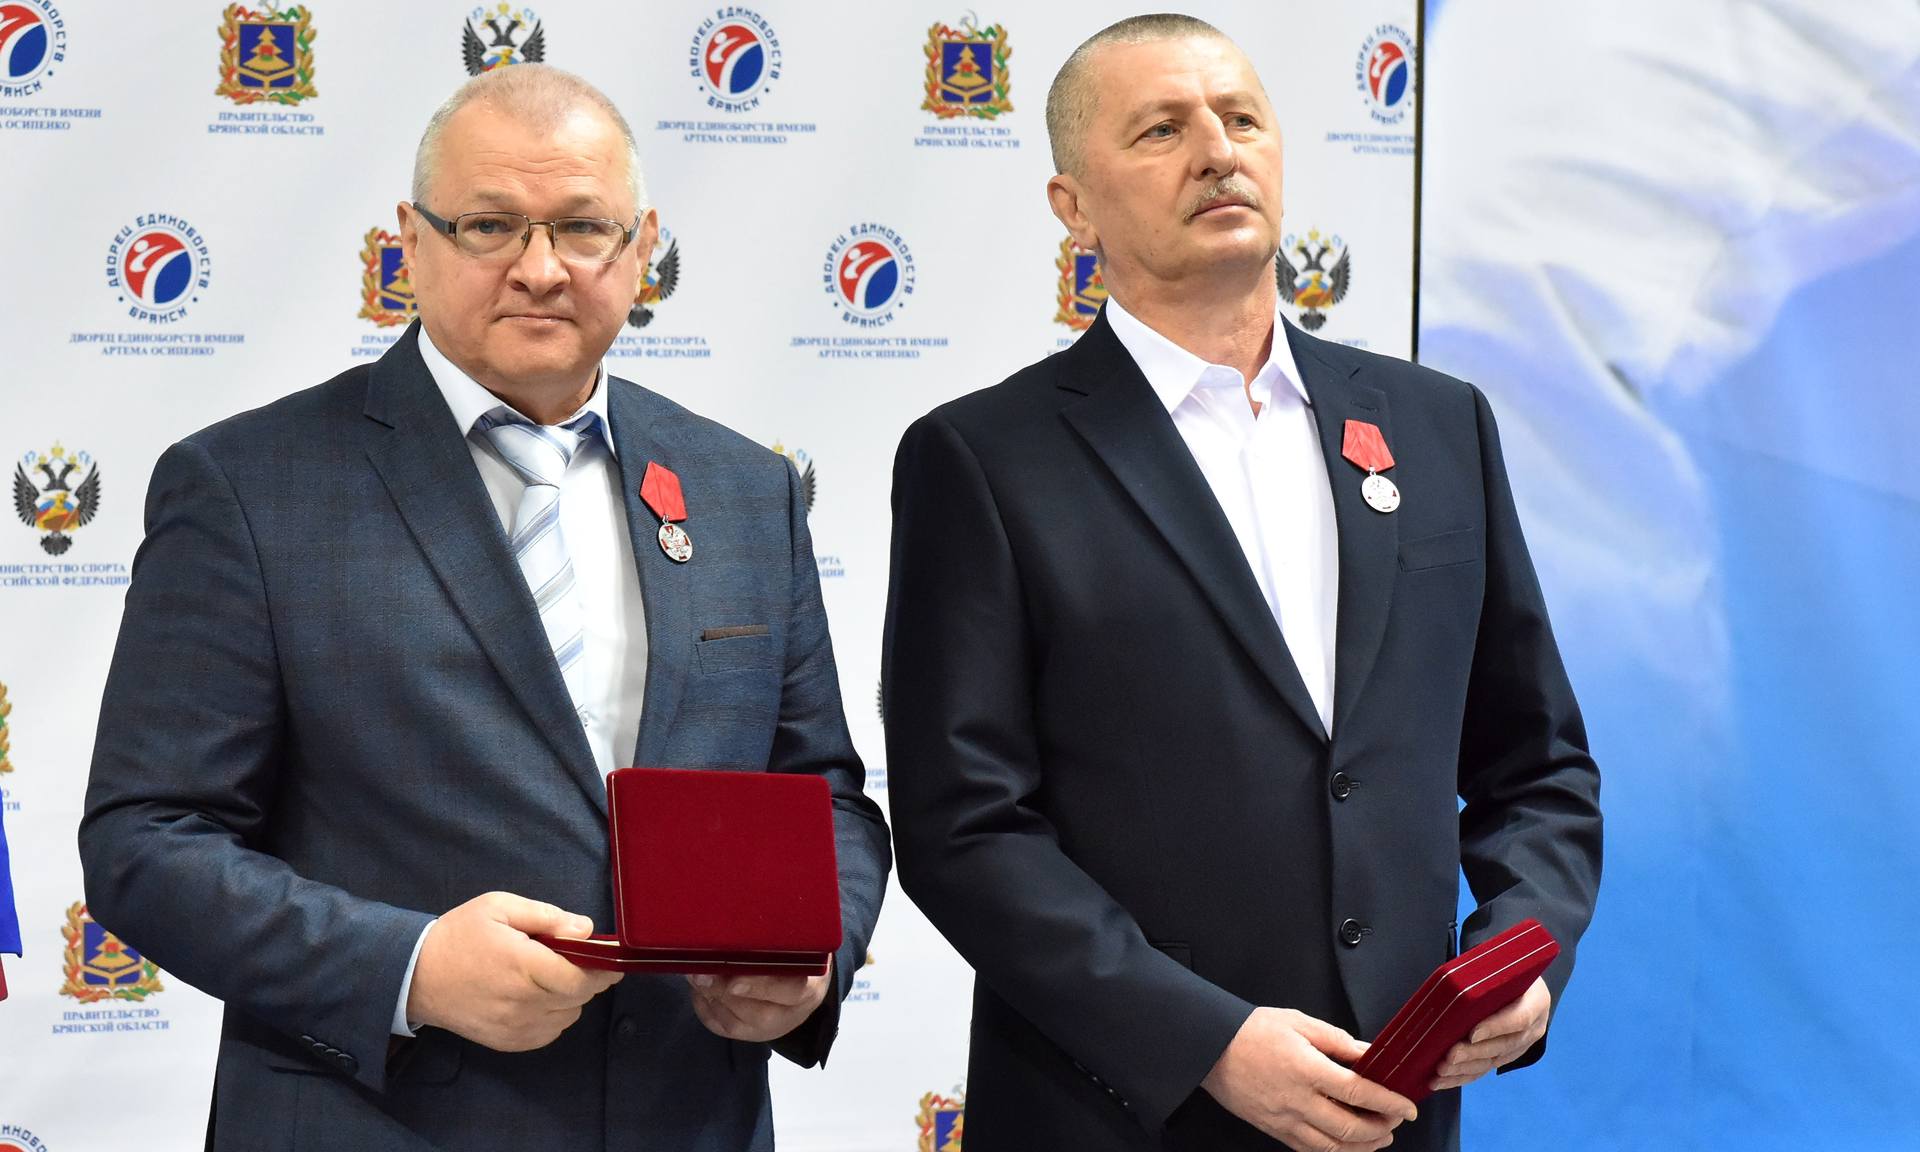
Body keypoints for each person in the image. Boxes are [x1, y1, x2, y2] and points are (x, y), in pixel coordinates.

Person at [78, 64, 888, 1152]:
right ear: (410, 242)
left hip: (688, 1116)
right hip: (380, 1123)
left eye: (582, 228)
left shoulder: (745, 488)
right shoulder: (249, 488)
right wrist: (408, 968)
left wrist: (809, 957)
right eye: (490, 226)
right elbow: (146, 840)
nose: (540, 269)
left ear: (641, 249)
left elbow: (824, 794)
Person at [881, 15, 1602, 1152]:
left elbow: (1538, 764)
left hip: (1395, 1107)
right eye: (1162, 130)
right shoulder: (982, 459)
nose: (1217, 151)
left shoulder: (1437, 424)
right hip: (1120, 1112)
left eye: (1241, 119)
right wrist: (1203, 1041)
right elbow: (962, 827)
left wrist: (1523, 952)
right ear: (1073, 206)